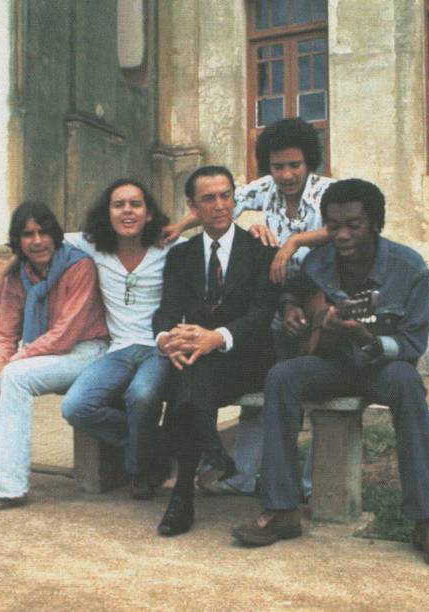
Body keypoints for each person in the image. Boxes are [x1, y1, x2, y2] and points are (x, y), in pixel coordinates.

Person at [231, 179, 429, 570]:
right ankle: (281, 508)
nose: (341, 234)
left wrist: (366, 336)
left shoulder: (409, 268)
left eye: (352, 225)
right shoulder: (317, 261)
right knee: (282, 376)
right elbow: (294, 288)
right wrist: (292, 309)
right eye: (333, 225)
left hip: (382, 367)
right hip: (331, 364)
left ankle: (426, 519)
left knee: (409, 383)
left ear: (375, 224)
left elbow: (412, 343)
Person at [170, 118, 336, 497]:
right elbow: (223, 204)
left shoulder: (329, 192)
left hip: (322, 301)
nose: (287, 174)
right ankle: (242, 475)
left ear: (309, 162)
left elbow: (344, 226)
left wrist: (292, 242)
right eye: (278, 166)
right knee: (265, 395)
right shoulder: (264, 190)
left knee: (319, 400)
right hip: (281, 303)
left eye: (295, 165)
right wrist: (179, 227)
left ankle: (312, 484)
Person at [0, 179, 178, 501]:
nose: (127, 211)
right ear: (108, 213)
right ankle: (155, 447)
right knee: (76, 406)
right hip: (116, 349)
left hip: (157, 345)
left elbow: (213, 231)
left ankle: (141, 471)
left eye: (136, 204)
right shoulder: (92, 245)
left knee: (142, 396)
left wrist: (186, 223)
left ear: (149, 213)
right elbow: (33, 243)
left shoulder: (170, 245)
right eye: (119, 204)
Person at [0, 202, 110, 511]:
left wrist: (4, 368)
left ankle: (9, 487)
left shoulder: (79, 266)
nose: (37, 241)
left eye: (43, 233)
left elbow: (65, 334)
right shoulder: (18, 276)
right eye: (28, 235)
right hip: (41, 350)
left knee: (14, 377)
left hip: (86, 350)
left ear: (55, 235)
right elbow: (5, 334)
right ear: (18, 241)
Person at [152, 165, 279, 536]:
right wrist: (166, 341)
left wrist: (217, 337)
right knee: (190, 372)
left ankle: (186, 486)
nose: (221, 205)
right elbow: (166, 311)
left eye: (226, 196)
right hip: (201, 361)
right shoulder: (181, 256)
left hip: (249, 358)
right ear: (193, 207)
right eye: (209, 198)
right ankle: (200, 470)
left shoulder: (259, 249)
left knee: (187, 384)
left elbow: (260, 316)